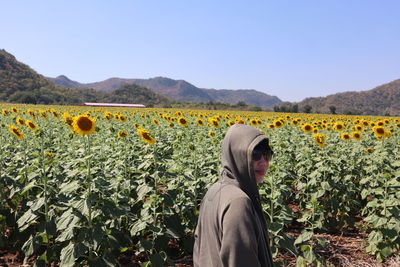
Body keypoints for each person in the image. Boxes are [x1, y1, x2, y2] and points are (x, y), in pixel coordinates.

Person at [193, 123, 274, 267]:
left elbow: (199, 252)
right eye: (255, 155)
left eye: (267, 155)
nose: (263, 162)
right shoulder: (238, 202)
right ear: (236, 155)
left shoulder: (215, 190)